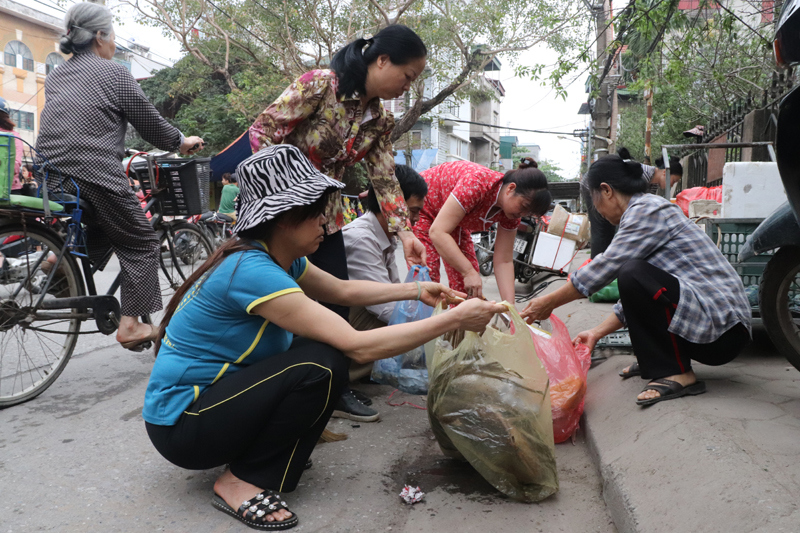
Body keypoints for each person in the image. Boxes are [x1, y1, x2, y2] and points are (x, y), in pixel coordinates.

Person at [143, 144, 505, 530]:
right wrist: (454, 320)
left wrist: (417, 290)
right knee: (323, 363)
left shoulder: (279, 258)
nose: (325, 223)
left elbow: (343, 291)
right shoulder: (251, 270)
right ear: (283, 217)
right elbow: (357, 344)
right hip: (183, 426)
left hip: (213, 406)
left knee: (321, 354)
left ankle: (265, 451)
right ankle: (240, 480)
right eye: (316, 213)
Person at [35, 2, 204, 351]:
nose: (114, 42)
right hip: (91, 171)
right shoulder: (114, 73)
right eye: (113, 35)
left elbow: (79, 123)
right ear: (99, 36)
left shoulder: (56, 76)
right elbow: (151, 127)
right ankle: (130, 325)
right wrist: (181, 141)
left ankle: (57, 265)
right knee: (141, 240)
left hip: (51, 175)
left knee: (106, 226)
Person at [521, 155, 751, 406]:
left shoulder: (647, 210)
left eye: (594, 202)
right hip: (713, 325)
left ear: (606, 191)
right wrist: (596, 333)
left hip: (725, 331)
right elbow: (633, 299)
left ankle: (677, 372)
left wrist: (549, 302)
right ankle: (657, 360)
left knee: (630, 272)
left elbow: (605, 268)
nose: (596, 211)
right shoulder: (640, 213)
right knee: (632, 275)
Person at [248, 25, 428, 321]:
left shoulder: (381, 122)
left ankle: (322, 365)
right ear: (382, 60)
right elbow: (263, 130)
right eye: (407, 76)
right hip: (281, 218)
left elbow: (384, 178)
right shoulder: (320, 86)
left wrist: (406, 235)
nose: (407, 86)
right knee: (274, 303)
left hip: (327, 222)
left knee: (334, 308)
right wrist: (281, 198)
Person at [337, 164, 428, 422]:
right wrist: (432, 324)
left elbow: (393, 293)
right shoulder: (361, 238)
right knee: (404, 331)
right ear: (391, 205)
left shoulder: (387, 236)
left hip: (359, 309)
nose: (416, 220)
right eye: (412, 211)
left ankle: (366, 369)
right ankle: (344, 376)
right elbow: (385, 307)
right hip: (342, 316)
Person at [414, 158, 551, 303]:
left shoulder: (511, 216)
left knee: (469, 289)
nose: (522, 215)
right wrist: (468, 272)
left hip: (453, 222)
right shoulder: (476, 184)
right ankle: (418, 324)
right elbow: (438, 232)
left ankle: (459, 324)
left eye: (528, 213)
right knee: (428, 279)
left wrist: (509, 309)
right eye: (523, 207)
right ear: (510, 189)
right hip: (424, 207)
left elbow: (503, 260)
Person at [583, 148, 683, 257]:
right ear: (665, 173)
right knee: (601, 229)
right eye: (673, 181)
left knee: (612, 230)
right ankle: (598, 264)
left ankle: (606, 261)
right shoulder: (642, 175)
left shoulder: (653, 185)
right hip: (593, 186)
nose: (672, 185)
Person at [0, 97, 25, 194]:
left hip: (9, 190)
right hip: (11, 189)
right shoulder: (15, 136)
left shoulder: (13, 136)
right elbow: (15, 165)